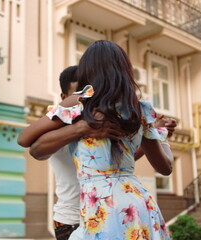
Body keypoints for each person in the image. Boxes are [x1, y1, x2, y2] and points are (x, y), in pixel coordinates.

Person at [18, 40, 173, 239]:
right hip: (139, 206)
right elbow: (165, 168)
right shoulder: (141, 109)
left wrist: (82, 126)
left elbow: (24, 138)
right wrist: (161, 135)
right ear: (125, 69)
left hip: (100, 208)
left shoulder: (80, 101)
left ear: (87, 70)